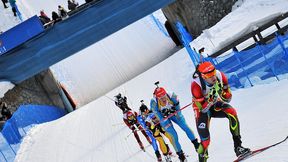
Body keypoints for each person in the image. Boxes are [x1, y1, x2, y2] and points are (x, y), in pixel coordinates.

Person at [191, 61, 250, 162]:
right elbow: (203, 109)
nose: (213, 77)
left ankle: (238, 147)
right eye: (209, 75)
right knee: (205, 140)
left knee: (232, 111)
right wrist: (210, 100)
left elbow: (228, 98)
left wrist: (221, 92)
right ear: (203, 76)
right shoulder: (196, 85)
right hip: (201, 110)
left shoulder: (220, 75)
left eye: (213, 73)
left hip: (214, 103)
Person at [150, 82, 199, 162]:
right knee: (174, 136)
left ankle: (196, 144)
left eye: (164, 96)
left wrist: (177, 112)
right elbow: (158, 115)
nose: (163, 99)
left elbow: (178, 107)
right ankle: (181, 155)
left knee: (185, 127)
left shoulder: (172, 95)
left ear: (166, 94)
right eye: (161, 98)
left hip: (174, 113)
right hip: (164, 118)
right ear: (157, 98)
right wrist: (164, 118)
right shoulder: (153, 103)